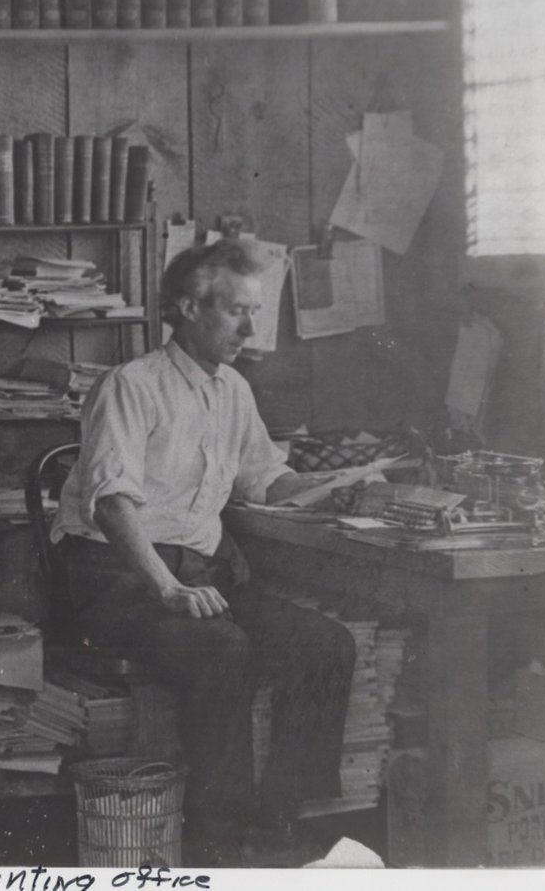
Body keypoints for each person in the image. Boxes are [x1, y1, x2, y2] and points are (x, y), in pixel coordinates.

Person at [50, 238, 356, 864]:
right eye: (237, 311)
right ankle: (221, 840)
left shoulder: (233, 391)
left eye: (255, 311)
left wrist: (338, 489)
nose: (250, 327)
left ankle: (279, 818)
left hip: (202, 575)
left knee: (327, 645)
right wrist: (167, 587)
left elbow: (265, 480)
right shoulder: (131, 386)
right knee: (224, 652)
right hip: (119, 579)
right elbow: (112, 505)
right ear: (189, 308)